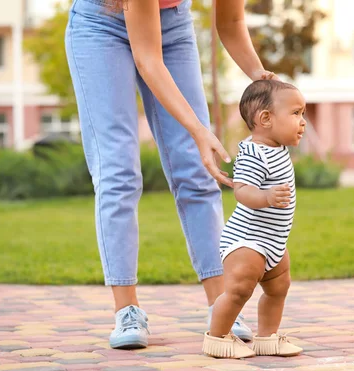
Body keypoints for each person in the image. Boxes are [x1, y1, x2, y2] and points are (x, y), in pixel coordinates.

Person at [64, 0, 279, 349]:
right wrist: (198, 129)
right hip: (99, 25)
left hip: (174, 25)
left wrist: (259, 74)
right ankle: (127, 310)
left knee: (198, 170)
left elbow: (232, 20)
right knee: (119, 171)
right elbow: (148, 59)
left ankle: (221, 306)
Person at [202, 80, 306, 359]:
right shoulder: (252, 153)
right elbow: (243, 191)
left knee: (279, 287)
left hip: (273, 240)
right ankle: (218, 338)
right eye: (296, 113)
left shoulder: (277, 148)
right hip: (247, 240)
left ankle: (267, 337)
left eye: (303, 114)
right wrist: (267, 197)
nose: (302, 121)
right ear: (265, 119)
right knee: (238, 291)